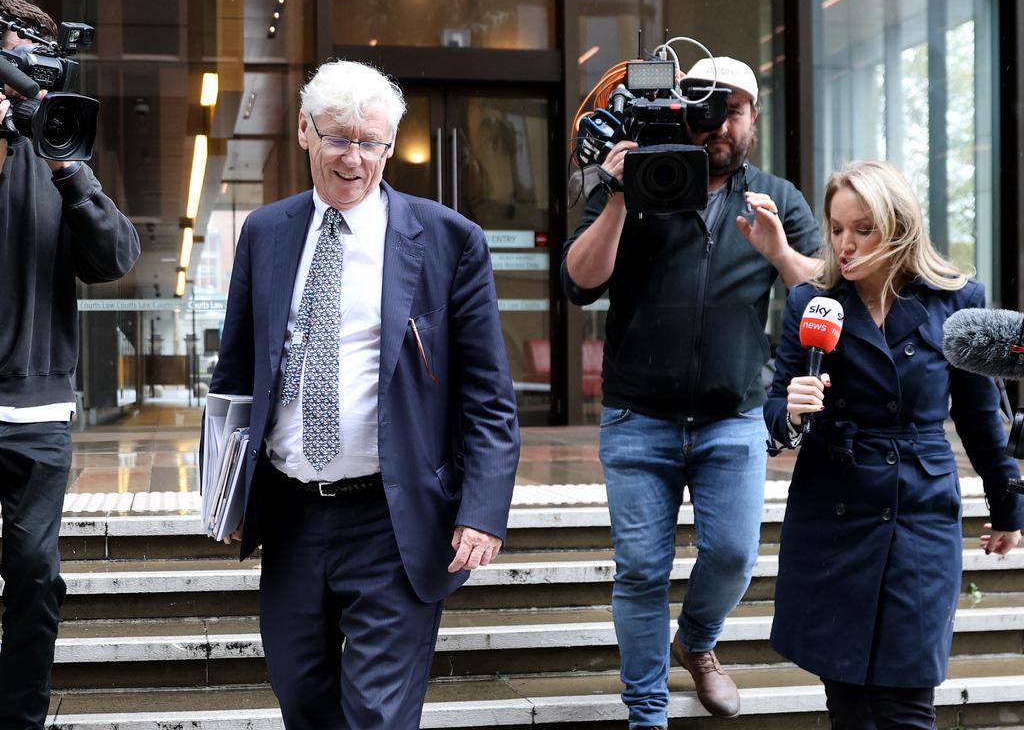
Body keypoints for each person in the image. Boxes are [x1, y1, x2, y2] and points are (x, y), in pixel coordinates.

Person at [209, 59, 520, 729]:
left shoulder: (447, 241)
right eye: (338, 138)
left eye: (370, 142)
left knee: (377, 716)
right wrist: (225, 487)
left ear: (389, 144)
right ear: (303, 131)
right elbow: (234, 376)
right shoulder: (264, 234)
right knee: (304, 703)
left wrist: (484, 509)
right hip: (291, 516)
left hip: (393, 516)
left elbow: (489, 395)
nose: (353, 158)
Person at [562, 56, 821, 727]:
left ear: (754, 118)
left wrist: (779, 253)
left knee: (734, 554)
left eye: (732, 109)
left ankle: (698, 643)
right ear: (681, 110)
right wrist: (619, 193)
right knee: (642, 572)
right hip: (638, 415)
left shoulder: (777, 196)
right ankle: (647, 711)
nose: (718, 124)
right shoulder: (634, 180)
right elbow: (578, 282)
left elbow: (824, 294)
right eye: (705, 107)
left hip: (731, 418)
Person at [764, 160, 1024, 729]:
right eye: (836, 229)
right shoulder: (812, 301)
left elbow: (981, 420)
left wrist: (1008, 507)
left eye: (863, 229)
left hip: (921, 513)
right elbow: (773, 414)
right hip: (834, 509)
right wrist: (790, 408)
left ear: (899, 225)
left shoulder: (957, 302)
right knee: (849, 701)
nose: (846, 245)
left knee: (907, 701)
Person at [0, 0, 140, 729]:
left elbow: (115, 256)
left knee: (32, 575)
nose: (24, 87)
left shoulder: (57, 150)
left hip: (36, 414)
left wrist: (67, 165)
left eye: (35, 72)